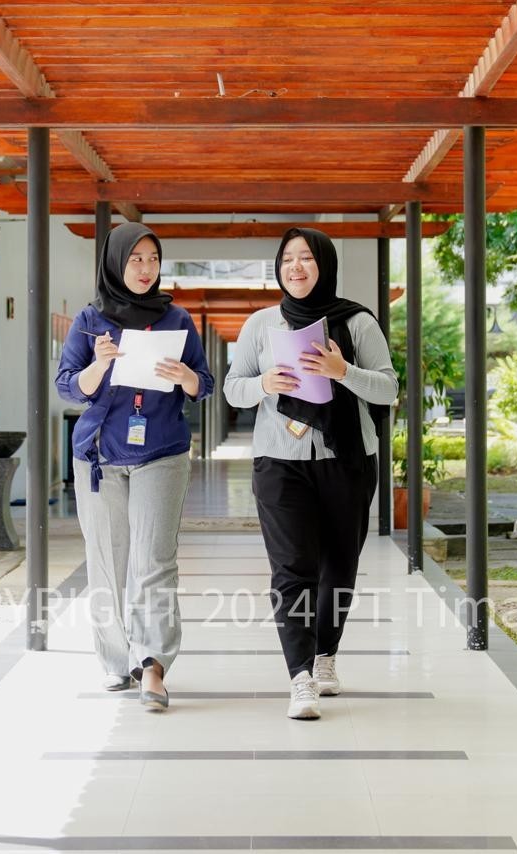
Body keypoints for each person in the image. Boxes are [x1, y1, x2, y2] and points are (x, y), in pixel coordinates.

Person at [223, 227, 397, 720]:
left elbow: (388, 389)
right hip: (279, 462)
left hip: (347, 459)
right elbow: (233, 389)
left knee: (338, 567)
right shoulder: (261, 325)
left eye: (305, 258)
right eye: (287, 259)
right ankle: (300, 676)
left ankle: (325, 656)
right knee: (291, 569)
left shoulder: (357, 322)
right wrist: (264, 383)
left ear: (324, 265)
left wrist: (344, 373)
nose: (295, 267)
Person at [56, 223, 213, 711]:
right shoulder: (89, 319)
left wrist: (186, 376)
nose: (146, 269)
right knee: (107, 560)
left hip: (161, 452)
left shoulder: (177, 318)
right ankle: (114, 658)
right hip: (100, 456)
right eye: (135, 259)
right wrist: (99, 365)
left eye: (153, 259)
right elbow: (67, 386)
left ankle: (153, 663)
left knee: (154, 561)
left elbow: (204, 383)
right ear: (115, 264)